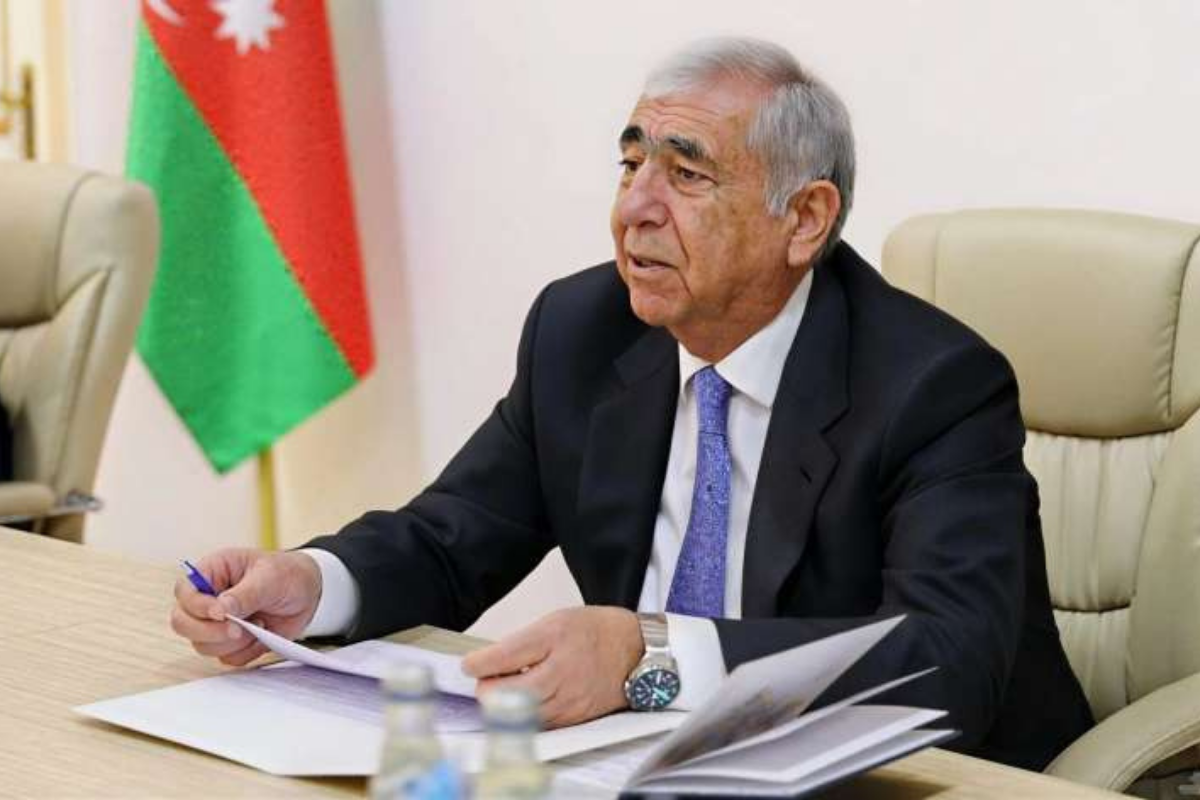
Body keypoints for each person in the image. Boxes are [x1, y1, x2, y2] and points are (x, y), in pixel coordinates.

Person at [170, 37, 1093, 770]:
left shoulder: (935, 386)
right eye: (629, 164)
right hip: (640, 769)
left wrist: (650, 659)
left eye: (687, 176)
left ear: (805, 219)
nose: (633, 210)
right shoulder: (583, 331)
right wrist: (315, 582)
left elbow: (944, 663)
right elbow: (455, 535)